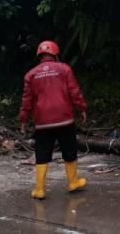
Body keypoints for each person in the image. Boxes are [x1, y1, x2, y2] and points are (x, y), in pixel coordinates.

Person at [19, 41, 88, 199]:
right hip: (64, 120)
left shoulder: (31, 75)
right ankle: (73, 182)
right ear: (55, 54)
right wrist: (82, 109)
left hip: (43, 123)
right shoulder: (64, 69)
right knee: (69, 151)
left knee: (42, 154)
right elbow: (74, 92)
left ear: (39, 55)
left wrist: (23, 120)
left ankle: (40, 190)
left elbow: (26, 101)